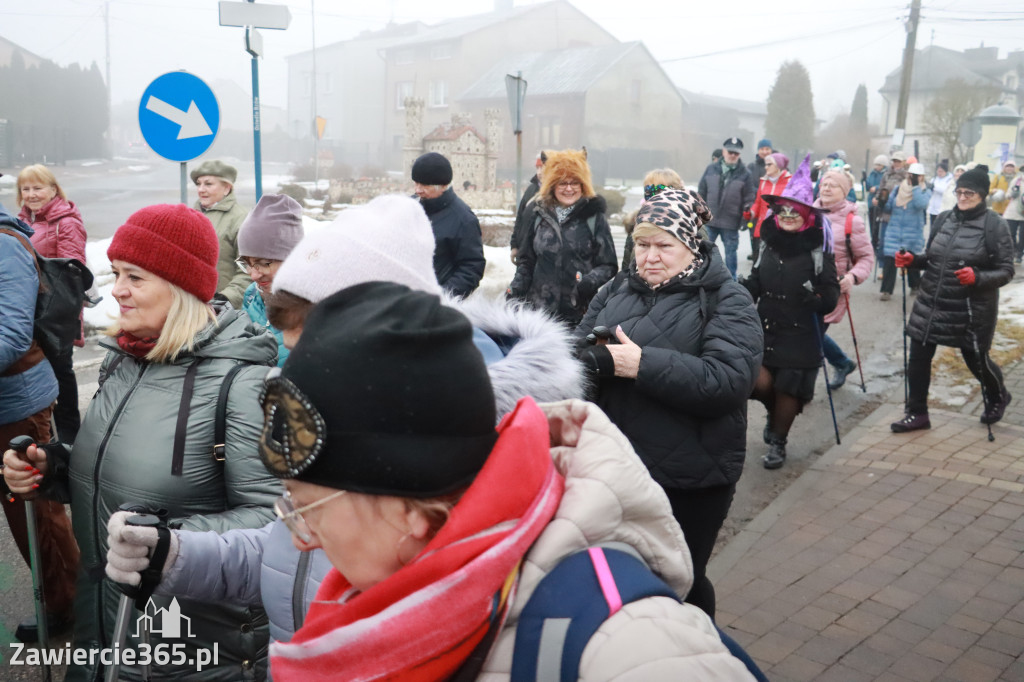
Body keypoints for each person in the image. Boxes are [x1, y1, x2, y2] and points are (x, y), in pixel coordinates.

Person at [103, 194, 589, 658]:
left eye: (311, 337)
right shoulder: (340, 431)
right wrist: (179, 555)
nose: (296, 359)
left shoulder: (470, 452)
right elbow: (291, 555)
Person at [250, 281, 759, 680]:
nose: (301, 538)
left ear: (409, 511)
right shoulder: (381, 595)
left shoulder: (633, 652)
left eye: (305, 508)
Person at [3, 204, 281, 682]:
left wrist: (171, 544)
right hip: (103, 625)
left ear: (181, 287)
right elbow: (117, 478)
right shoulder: (124, 361)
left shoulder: (244, 384)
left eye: (135, 276)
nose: (118, 290)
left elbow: (273, 522)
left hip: (189, 645)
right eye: (115, 273)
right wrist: (55, 469)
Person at [575, 187, 763, 618]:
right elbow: (575, 355)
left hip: (692, 477)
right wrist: (590, 359)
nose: (650, 256)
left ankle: (698, 654)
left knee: (681, 581)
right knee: (621, 582)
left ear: (690, 246)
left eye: (664, 245)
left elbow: (728, 382)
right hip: (618, 469)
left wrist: (638, 364)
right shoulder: (614, 290)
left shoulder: (726, 300)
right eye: (642, 244)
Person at [1, 204, 80, 644]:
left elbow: (10, 335)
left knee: (33, 510)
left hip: (18, 405)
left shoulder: (4, 245)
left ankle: (66, 605)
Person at [892, 165, 1015, 432]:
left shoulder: (995, 225)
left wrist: (978, 277)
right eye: (959, 191)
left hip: (970, 307)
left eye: (969, 192)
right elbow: (933, 258)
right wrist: (913, 261)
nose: (962, 197)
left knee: (976, 361)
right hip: (931, 302)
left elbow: (1006, 270)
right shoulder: (944, 218)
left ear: (982, 195)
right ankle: (917, 413)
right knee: (918, 358)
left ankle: (998, 395)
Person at [744, 156, 840, 470]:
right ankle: (776, 416)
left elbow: (831, 296)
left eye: (794, 212)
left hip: (801, 334)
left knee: (789, 389)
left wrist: (816, 297)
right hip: (766, 328)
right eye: (782, 210)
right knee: (758, 383)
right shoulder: (767, 245)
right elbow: (755, 281)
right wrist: (738, 291)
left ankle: (778, 441)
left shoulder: (818, 250)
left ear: (806, 216)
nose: (787, 216)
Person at [16, 164, 87, 444]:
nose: (31, 194)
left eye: (37, 188)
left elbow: (72, 274)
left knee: (61, 376)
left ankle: (70, 439)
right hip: (28, 313)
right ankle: (42, 436)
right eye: (26, 189)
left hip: (56, 315)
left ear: (53, 189)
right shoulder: (22, 222)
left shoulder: (66, 223)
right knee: (33, 375)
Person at [507, 148, 617, 327]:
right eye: (562, 183)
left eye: (575, 183)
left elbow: (609, 265)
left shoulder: (594, 218)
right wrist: (515, 290)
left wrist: (587, 282)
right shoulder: (538, 215)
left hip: (578, 314)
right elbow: (526, 261)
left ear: (583, 185)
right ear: (552, 185)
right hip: (539, 314)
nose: (568, 188)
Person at [814, 169, 875, 389]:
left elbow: (867, 258)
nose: (827, 188)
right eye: (824, 183)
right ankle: (842, 363)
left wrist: (852, 276)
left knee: (810, 338)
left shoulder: (853, 222)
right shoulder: (806, 213)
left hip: (832, 291)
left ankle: (800, 390)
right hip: (803, 287)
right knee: (809, 334)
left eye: (834, 185)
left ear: (845, 192)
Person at [236, 194, 305, 367]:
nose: (254, 276)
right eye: (248, 264)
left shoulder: (319, 306)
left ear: (293, 257)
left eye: (264, 263)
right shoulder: (252, 295)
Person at [411, 151, 486, 298]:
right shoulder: (409, 208)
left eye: (425, 185)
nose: (418, 190)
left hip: (436, 307)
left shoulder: (463, 219)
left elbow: (471, 268)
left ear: (443, 185)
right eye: (416, 183)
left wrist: (442, 297)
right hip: (405, 300)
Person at [191, 159, 251, 309]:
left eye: (208, 184)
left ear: (226, 188)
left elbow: (249, 269)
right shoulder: (189, 216)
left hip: (224, 312)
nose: (201, 189)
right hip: (190, 309)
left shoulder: (241, 219)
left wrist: (225, 299)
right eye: (198, 184)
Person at [698, 137, 755, 280]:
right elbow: (701, 191)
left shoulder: (745, 174)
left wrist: (745, 215)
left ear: (739, 154)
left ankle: (731, 282)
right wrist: (699, 213)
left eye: (736, 153)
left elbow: (749, 197)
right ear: (723, 152)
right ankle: (701, 277)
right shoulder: (711, 169)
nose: (732, 155)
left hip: (731, 222)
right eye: (730, 152)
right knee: (703, 251)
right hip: (709, 220)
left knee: (731, 255)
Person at [880, 162, 931, 301]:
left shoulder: (925, 190)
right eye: (911, 175)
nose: (912, 177)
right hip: (894, 230)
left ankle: (915, 286)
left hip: (913, 232)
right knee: (890, 259)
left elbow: (921, 204)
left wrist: (915, 187)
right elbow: (889, 207)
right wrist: (882, 201)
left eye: (916, 176)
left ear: (921, 177)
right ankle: (886, 290)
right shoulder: (898, 189)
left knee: (912, 259)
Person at [621, 167, 687, 270]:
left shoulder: (690, 225)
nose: (654, 197)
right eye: (649, 191)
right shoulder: (637, 224)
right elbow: (627, 269)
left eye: (659, 191)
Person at [748, 153, 791, 263]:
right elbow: (758, 203)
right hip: (761, 230)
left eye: (769, 164)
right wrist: (750, 212)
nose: (765, 167)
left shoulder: (790, 182)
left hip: (781, 231)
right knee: (758, 263)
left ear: (778, 165)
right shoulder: (763, 182)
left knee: (777, 264)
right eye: (765, 165)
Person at [509, 151, 545, 264]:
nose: (539, 172)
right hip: (524, 253)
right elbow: (520, 219)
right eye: (537, 168)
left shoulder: (559, 193)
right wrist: (514, 245)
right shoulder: (530, 190)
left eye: (543, 168)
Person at [874, 151, 908, 259]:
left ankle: (901, 265)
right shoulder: (886, 174)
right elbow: (881, 188)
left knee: (900, 242)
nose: (896, 163)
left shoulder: (907, 176)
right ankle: (884, 267)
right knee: (884, 240)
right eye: (894, 161)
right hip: (886, 212)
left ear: (903, 162)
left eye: (899, 161)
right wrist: (877, 198)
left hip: (900, 212)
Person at [1002, 165, 1024, 264]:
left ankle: (1019, 255)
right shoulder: (1017, 181)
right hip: (1013, 211)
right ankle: (1013, 253)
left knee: (1023, 235)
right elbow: (1007, 194)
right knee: (1011, 234)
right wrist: (1011, 195)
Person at [865, 155, 887, 248]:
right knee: (871, 222)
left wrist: (877, 188)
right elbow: (868, 186)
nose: (876, 167)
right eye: (875, 164)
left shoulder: (885, 174)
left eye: (879, 164)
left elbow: (885, 186)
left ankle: (877, 241)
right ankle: (873, 240)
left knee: (877, 224)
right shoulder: (872, 173)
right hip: (871, 201)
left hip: (879, 201)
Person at [927, 160, 953, 227]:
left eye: (941, 171)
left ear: (945, 171)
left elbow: (945, 190)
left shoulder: (949, 180)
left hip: (941, 209)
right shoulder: (934, 179)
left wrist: (934, 187)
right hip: (932, 209)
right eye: (938, 171)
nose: (939, 173)